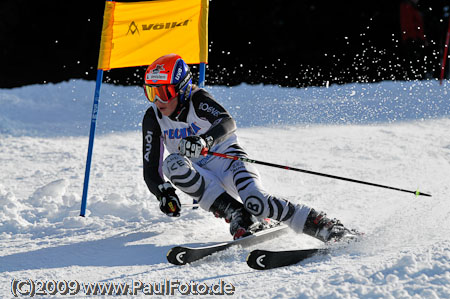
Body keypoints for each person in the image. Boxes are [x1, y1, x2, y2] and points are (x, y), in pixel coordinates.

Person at [142, 53, 356, 242]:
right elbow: (151, 168)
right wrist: (163, 194)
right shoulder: (154, 117)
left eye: (164, 91)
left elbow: (227, 123)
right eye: (152, 93)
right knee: (173, 164)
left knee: (258, 203)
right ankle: (238, 215)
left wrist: (204, 141)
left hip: (229, 161)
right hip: (202, 176)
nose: (159, 100)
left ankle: (325, 226)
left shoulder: (198, 100)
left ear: (182, 88)